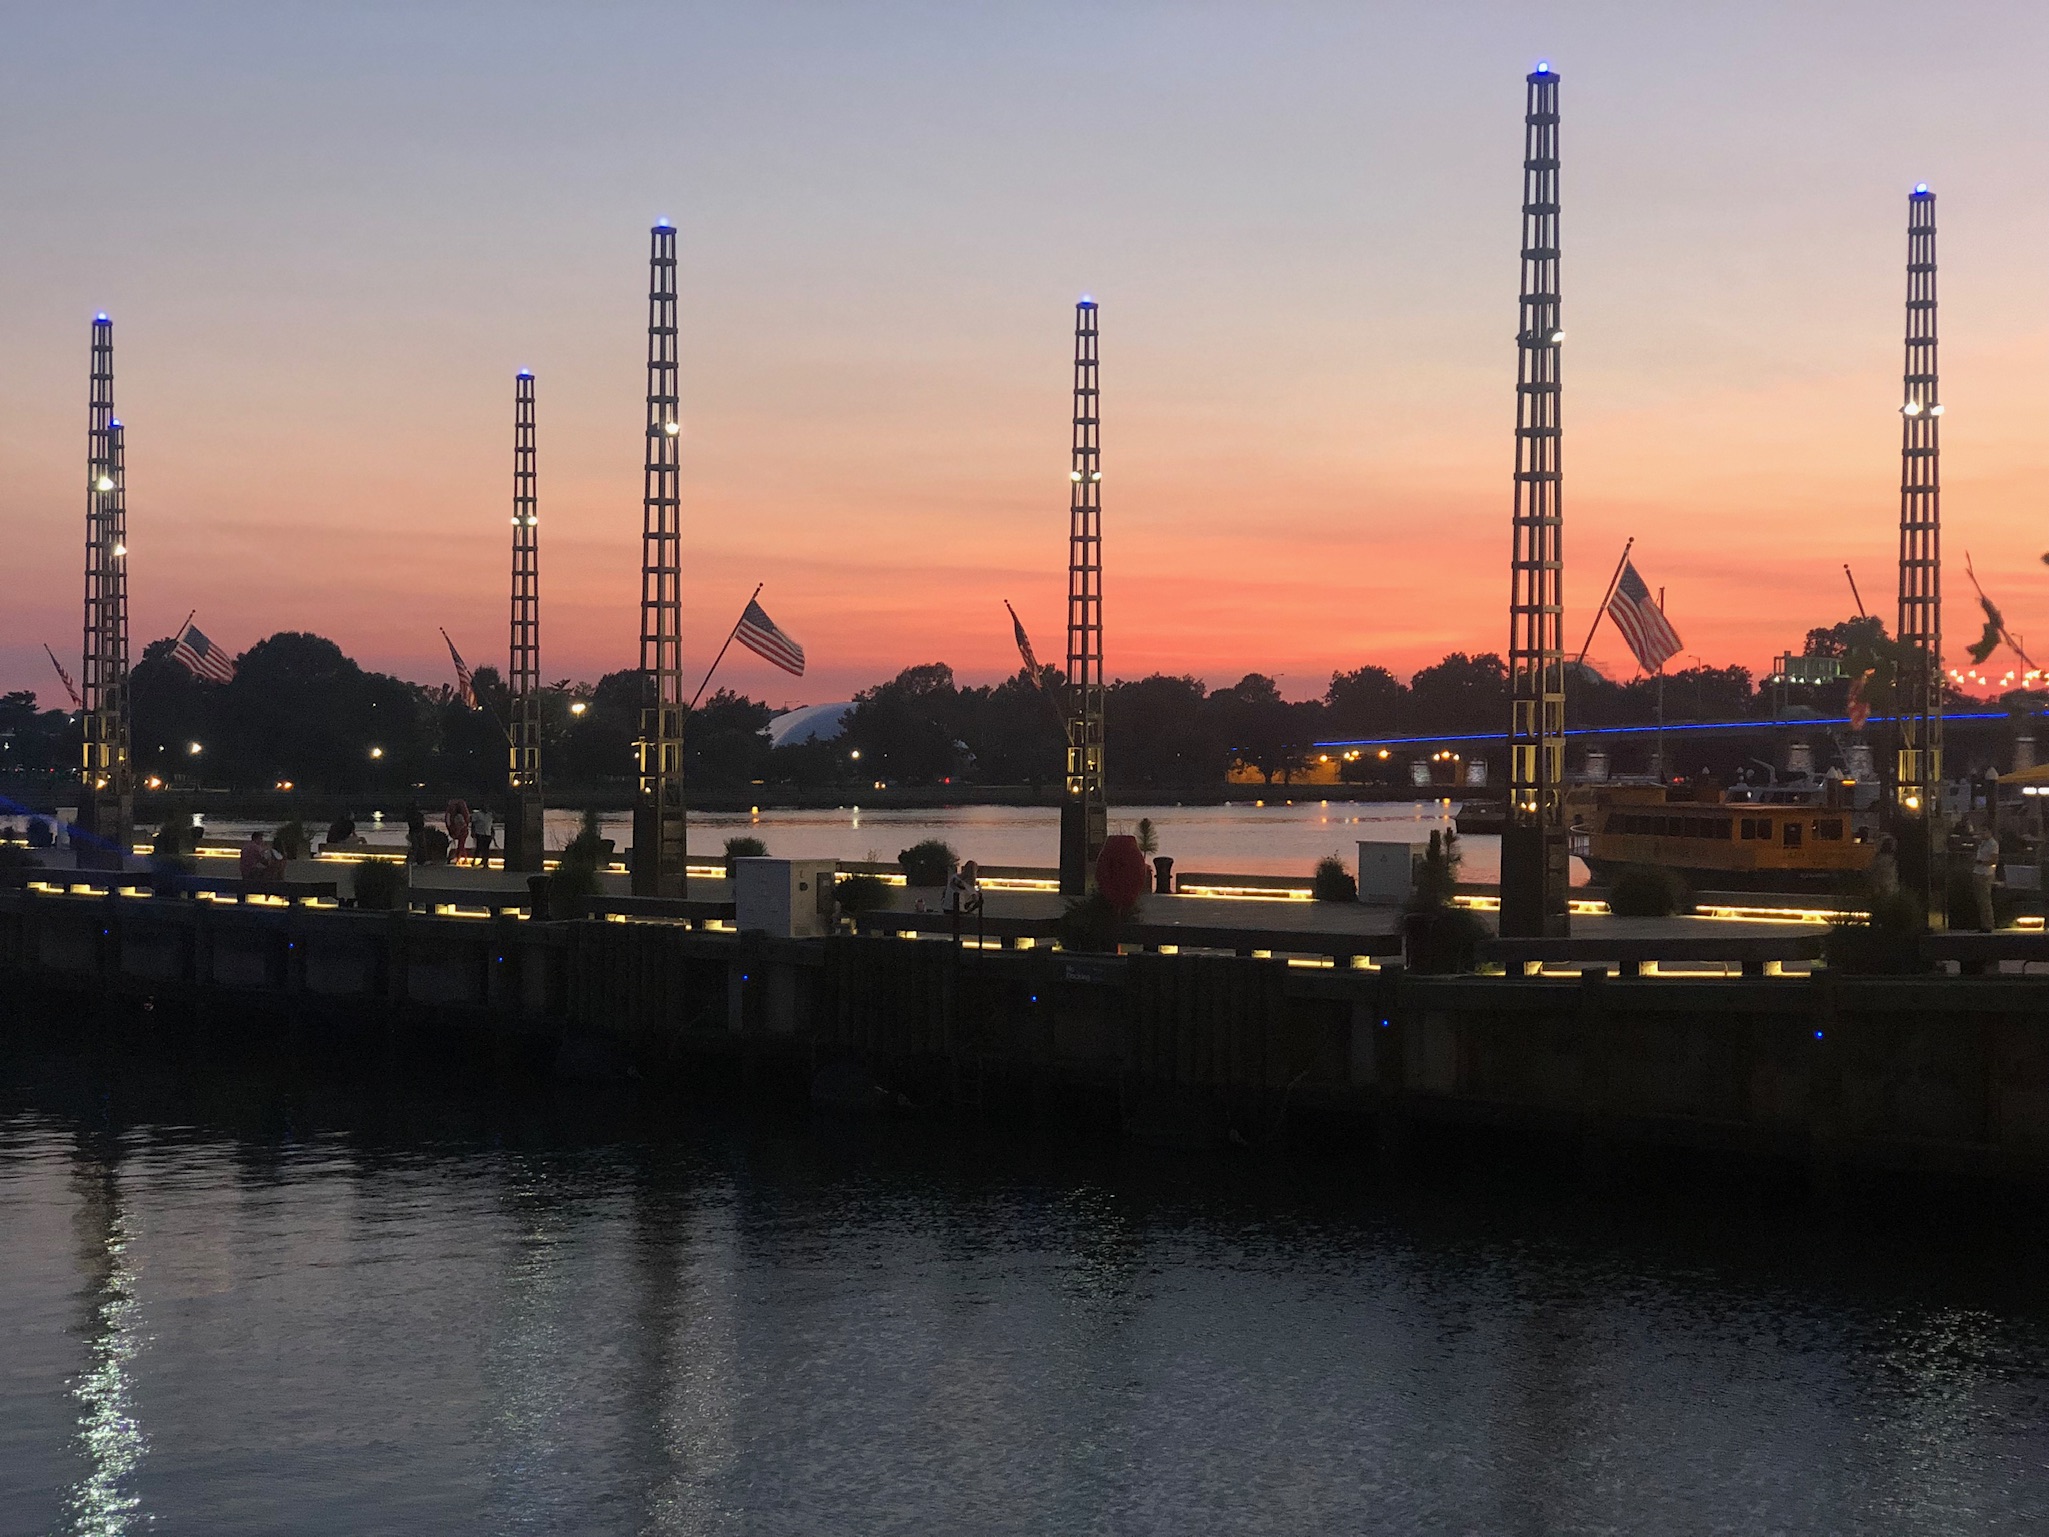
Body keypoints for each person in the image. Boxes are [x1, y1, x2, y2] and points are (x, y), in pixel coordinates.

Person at [944, 859, 984, 944]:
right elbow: (975, 899)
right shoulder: (968, 885)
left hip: (946, 908)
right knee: (979, 901)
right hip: (957, 911)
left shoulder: (954, 877)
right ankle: (967, 911)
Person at [1972, 827, 2001, 932]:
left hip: (1985, 874)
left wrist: (1981, 862)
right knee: (1980, 900)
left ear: (1990, 832)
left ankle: (1989, 924)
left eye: (1984, 831)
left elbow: (1994, 860)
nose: (1982, 833)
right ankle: (1983, 923)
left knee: (1985, 900)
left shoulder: (1993, 844)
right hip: (1978, 872)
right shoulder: (1982, 843)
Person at [445, 800, 471, 864]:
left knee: (460, 846)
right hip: (463, 832)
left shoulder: (458, 816)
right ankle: (464, 859)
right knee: (461, 846)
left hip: (461, 832)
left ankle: (459, 859)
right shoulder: (460, 816)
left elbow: (461, 825)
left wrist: (456, 831)